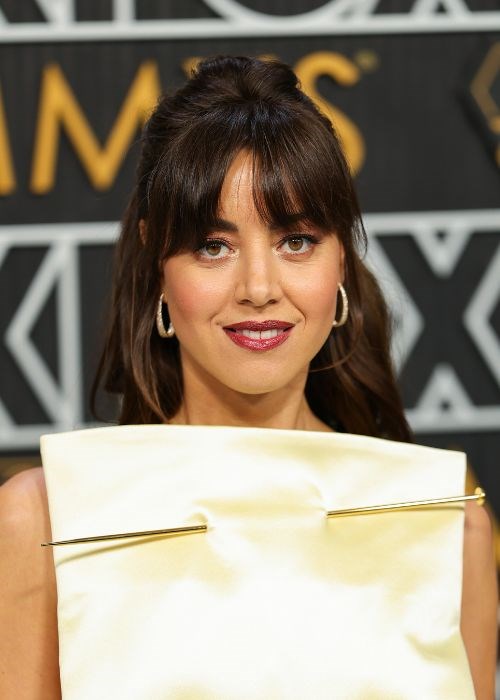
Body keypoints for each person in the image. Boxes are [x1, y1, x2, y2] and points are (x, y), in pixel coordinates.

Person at [0, 55, 497, 699]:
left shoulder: (448, 526)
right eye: (214, 245)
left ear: (342, 259)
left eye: (296, 240)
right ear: (157, 262)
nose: (259, 288)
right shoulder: (45, 518)